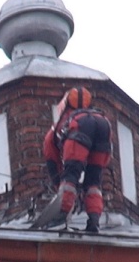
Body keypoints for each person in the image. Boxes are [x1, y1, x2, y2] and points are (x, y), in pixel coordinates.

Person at [43, 86, 113, 232]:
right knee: (93, 182)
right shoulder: (95, 115)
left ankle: (61, 216)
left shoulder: (59, 126)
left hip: (79, 131)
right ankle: (94, 220)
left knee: (70, 177)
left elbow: (52, 160)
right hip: (104, 127)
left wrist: (59, 185)